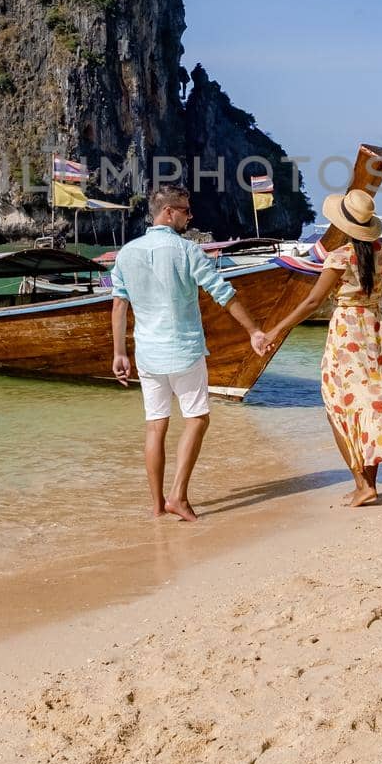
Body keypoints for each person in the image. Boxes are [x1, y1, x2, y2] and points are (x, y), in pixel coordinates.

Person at [263, 188, 382, 507]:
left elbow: (314, 300)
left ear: (344, 224)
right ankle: (368, 483)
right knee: (375, 401)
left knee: (340, 408)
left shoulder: (340, 257)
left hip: (347, 332)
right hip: (375, 329)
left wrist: (277, 328)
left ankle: (363, 483)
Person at [110, 185, 270, 522]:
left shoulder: (127, 253)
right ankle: (178, 496)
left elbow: (119, 304)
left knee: (155, 427)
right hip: (184, 350)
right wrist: (254, 330)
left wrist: (119, 353)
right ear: (168, 212)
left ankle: (156, 507)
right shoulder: (186, 251)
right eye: (185, 210)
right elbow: (222, 293)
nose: (189, 216)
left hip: (147, 354)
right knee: (197, 418)